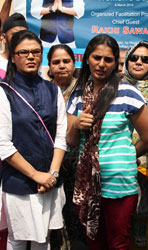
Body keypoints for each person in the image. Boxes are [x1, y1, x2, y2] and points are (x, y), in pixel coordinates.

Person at [66, 33, 148, 250]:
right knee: (94, 242)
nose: (101, 64)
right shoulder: (78, 94)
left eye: (108, 59)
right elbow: (70, 140)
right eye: (97, 57)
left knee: (118, 244)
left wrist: (124, 157)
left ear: (116, 63)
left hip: (119, 184)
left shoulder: (128, 93)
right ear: (87, 58)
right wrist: (77, 124)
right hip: (87, 185)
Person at [0, 29, 67, 249]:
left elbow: (60, 136)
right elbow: (3, 144)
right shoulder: (4, 91)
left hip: (50, 180)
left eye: (36, 52)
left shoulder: (52, 90)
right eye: (23, 52)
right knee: (17, 238)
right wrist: (36, 175)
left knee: (44, 240)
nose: (30, 56)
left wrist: (52, 174)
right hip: (19, 181)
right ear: (12, 56)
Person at [122, 40, 148, 250]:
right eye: (134, 57)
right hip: (116, 165)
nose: (139, 62)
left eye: (145, 59)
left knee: (141, 214)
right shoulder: (115, 87)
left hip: (145, 165)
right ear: (127, 61)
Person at [47, 44, 88, 250]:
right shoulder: (44, 90)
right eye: (56, 62)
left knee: (76, 216)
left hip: (79, 165)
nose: (62, 66)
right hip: (49, 164)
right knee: (52, 220)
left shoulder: (86, 90)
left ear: (74, 63)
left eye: (66, 61)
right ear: (49, 66)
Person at [0, 12, 28, 81]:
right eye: (15, 34)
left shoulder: (32, 62)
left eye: (24, 34)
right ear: (3, 38)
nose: (20, 37)